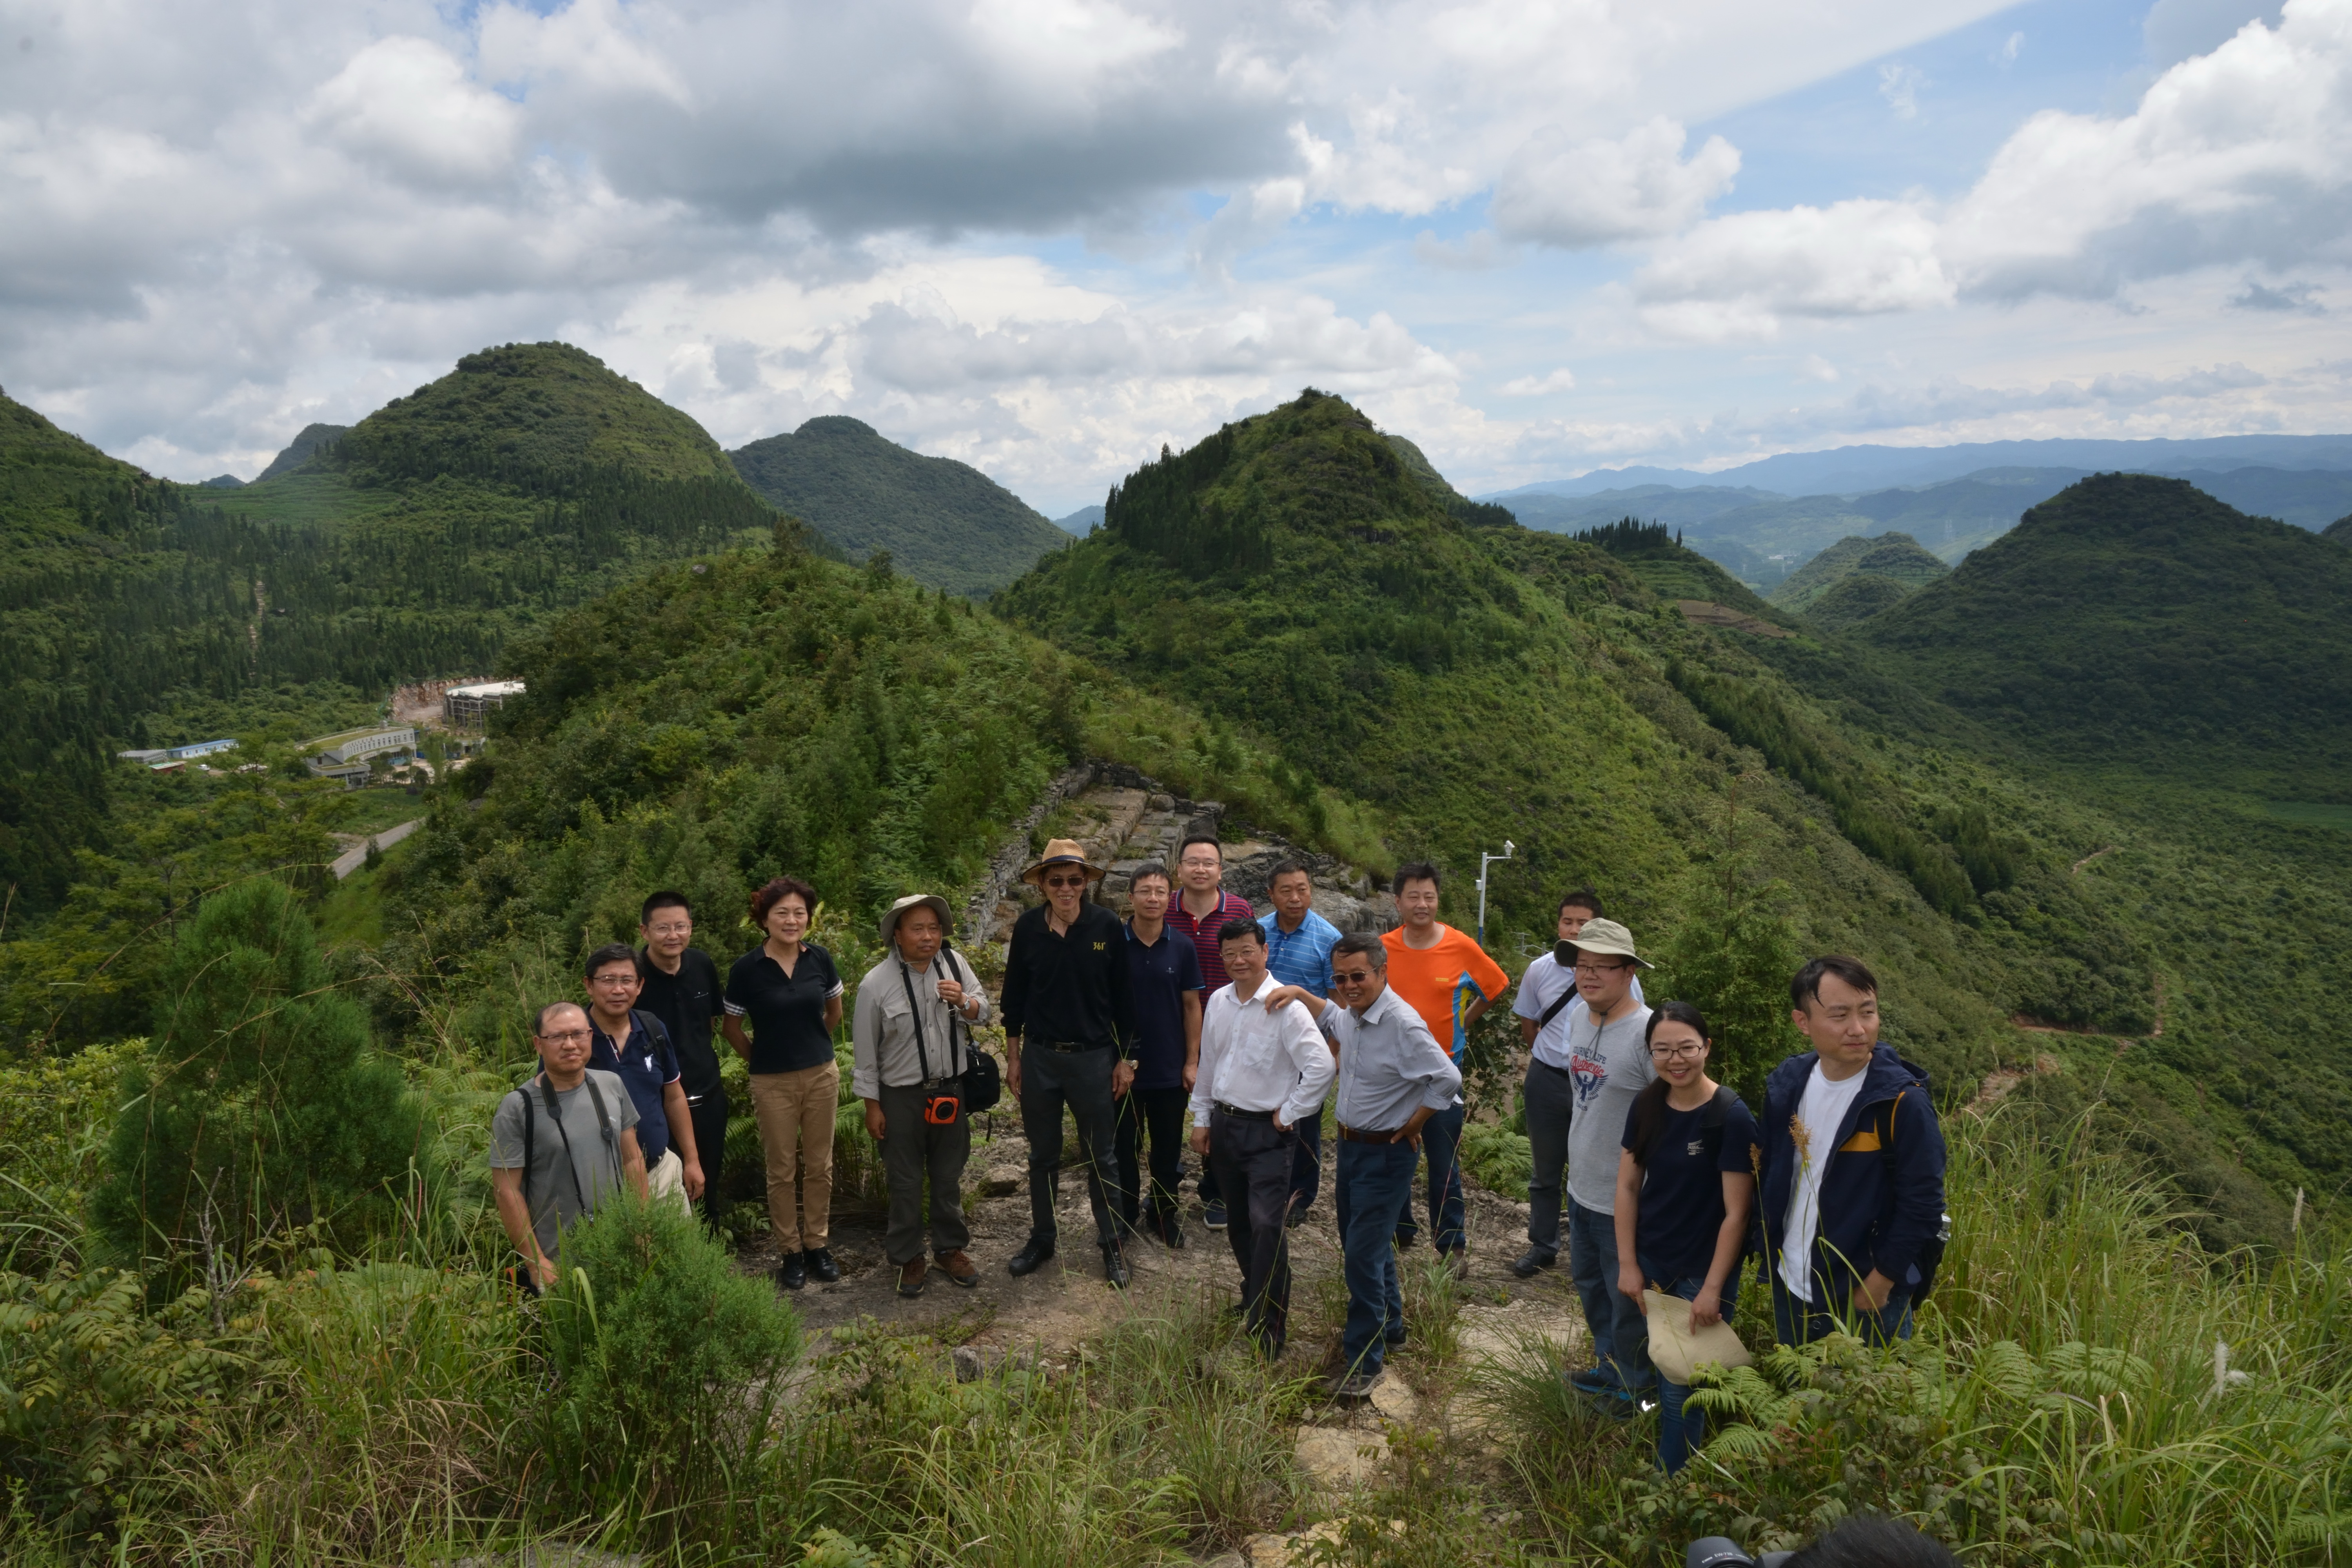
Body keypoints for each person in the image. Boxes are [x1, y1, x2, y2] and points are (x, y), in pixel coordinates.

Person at [1263, 933, 1460, 1399]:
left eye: (1359, 976)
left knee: (1362, 1255)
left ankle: (1365, 1361)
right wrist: (1300, 993)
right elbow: (1332, 1016)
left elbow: (1447, 1078)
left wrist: (1415, 1123)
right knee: (1364, 1244)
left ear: (1381, 972)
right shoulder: (1353, 1013)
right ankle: (1391, 1326)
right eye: (1341, 978)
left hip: (1386, 1154)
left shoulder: (1401, 1023)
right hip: (1351, 1149)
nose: (1350, 985)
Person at [1759, 956, 1947, 1346]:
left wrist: (1880, 1283)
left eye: (1868, 1012)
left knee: (1866, 1407)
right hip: (1791, 1282)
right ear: (1803, 1022)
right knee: (1797, 1399)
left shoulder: (1900, 1102)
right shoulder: (1787, 1083)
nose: (1858, 1029)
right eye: (1840, 1015)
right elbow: (1773, 1172)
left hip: (1862, 1292)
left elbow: (1924, 1204)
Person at [1611, 1003, 1759, 1473]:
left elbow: (1737, 1213)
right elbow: (1628, 1186)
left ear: (1707, 1048)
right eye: (1663, 1050)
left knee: (1683, 1389)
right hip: (1654, 1261)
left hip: (1701, 1270)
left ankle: (1670, 1484)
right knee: (1664, 1366)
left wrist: (1713, 1289)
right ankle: (1678, 1467)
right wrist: (1629, 1263)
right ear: (1650, 1052)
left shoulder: (1730, 1115)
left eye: (1687, 1048)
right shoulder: (1648, 1104)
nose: (1677, 1060)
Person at [1189, 918, 1335, 1359]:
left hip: (1269, 1133)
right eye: (1230, 953)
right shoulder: (1218, 1001)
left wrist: (1290, 1112)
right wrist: (1201, 1118)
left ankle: (1271, 1328)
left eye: (1247, 951)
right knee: (1238, 1224)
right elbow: (1210, 1061)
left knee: (1268, 1226)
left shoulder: (1286, 1006)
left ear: (1265, 952)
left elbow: (1322, 1067)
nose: (1239, 961)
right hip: (1225, 1125)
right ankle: (1254, 1295)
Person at [1001, 838, 1139, 1286]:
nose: (1066, 888)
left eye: (1074, 880)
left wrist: (1126, 1060)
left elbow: (1125, 1000)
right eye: (1056, 880)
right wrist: (1014, 1057)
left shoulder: (1106, 926)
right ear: (1041, 884)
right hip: (1040, 1057)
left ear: (1086, 883)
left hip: (1094, 1059)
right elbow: (1014, 998)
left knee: (1103, 1156)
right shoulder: (1026, 929)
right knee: (1042, 1155)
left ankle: (1113, 1244)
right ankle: (1043, 1238)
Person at [853, 895, 990, 1298]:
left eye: (934, 927)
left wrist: (963, 1001)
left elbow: (984, 1010)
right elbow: (865, 1054)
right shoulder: (875, 984)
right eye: (918, 928)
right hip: (901, 1096)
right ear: (897, 934)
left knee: (948, 1175)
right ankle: (908, 1256)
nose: (928, 936)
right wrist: (872, 1106)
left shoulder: (955, 965)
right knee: (905, 1179)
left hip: (951, 1089)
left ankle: (950, 1249)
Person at [1380, 861, 1510, 1270]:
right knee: (1391, 1151)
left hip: (1443, 1074)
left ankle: (1451, 1246)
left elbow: (1496, 987)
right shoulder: (1381, 948)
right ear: (1398, 901)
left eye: (1430, 896)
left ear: (1438, 900)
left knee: (1444, 1160)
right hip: (1393, 1074)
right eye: (1414, 896)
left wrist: (1463, 1023)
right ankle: (1400, 1230)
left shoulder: (1460, 946)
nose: (1422, 904)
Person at [1512, 887, 1645, 1277]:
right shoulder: (1539, 969)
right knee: (1546, 1167)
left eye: (1582, 923)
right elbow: (1528, 1022)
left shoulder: (1624, 980)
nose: (1573, 928)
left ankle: (1603, 1249)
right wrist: (1553, 1060)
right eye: (1567, 921)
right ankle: (1544, 1244)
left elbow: (1630, 1021)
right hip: (1549, 1078)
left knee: (1603, 1164)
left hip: (1601, 1082)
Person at [1553, 916, 1658, 1406]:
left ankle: (1637, 1395)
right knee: (1592, 1287)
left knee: (1629, 1301)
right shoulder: (1579, 1017)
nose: (1588, 975)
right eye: (1581, 964)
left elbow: (1674, 1115)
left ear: (1629, 971)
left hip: (1628, 1196)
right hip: (1582, 1187)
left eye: (1602, 967)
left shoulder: (1647, 1034)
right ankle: (1609, 1367)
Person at [722, 876, 845, 1292]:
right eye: (782, 913)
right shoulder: (746, 969)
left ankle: (817, 1245)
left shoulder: (821, 959)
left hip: (821, 1075)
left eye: (799, 913)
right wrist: (762, 1058)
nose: (792, 920)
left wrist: (812, 1046)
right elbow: (732, 1028)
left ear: (808, 918)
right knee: (781, 1169)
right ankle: (790, 1251)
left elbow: (834, 1013)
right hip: (771, 1081)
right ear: (764, 919)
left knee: (820, 1165)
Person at [490, 1001, 648, 1288]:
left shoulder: (611, 1084)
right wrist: (536, 1261)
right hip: (560, 1263)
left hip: (621, 1249)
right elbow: (506, 1191)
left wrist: (641, 1227)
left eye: (578, 1034)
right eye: (557, 1037)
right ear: (539, 1044)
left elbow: (633, 1160)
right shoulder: (518, 1107)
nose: (570, 1044)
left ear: (590, 1036)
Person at [1166, 833, 1257, 1231]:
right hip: (1171, 1026)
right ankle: (1166, 1182)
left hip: (1228, 1025)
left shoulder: (1238, 909)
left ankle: (1217, 1188)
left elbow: (1249, 962)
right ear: (1180, 868)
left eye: (1209, 863)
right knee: (1172, 1104)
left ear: (1220, 869)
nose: (1200, 869)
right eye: (1193, 862)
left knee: (1224, 1107)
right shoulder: (1164, 907)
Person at [582, 943, 704, 1216]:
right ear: (589, 985)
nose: (618, 989)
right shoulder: (573, 1037)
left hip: (660, 1169)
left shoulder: (652, 1029)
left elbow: (673, 1097)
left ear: (640, 986)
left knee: (676, 1253)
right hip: (599, 1182)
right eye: (608, 980)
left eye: (627, 980)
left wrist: (692, 1160)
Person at [1118, 864, 1205, 1249]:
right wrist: (1112, 1059)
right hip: (1124, 1069)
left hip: (1170, 1068)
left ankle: (1164, 1214)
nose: (1153, 898)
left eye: (1160, 891)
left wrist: (1192, 1060)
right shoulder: (1113, 942)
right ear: (1131, 896)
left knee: (1168, 1151)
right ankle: (1122, 1215)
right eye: (1145, 890)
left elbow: (1192, 1006)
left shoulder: (1182, 946)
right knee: (1123, 1146)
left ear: (1170, 897)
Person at [635, 892, 730, 1233]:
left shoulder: (701, 964)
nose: (672, 935)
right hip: (657, 1106)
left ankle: (711, 1258)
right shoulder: (634, 977)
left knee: (708, 1184)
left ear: (691, 928)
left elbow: (709, 1025)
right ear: (645, 931)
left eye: (680, 927)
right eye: (663, 928)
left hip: (707, 1097)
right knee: (664, 1191)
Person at [1259, 859, 1342, 1225]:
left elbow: (1339, 1001)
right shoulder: (1258, 932)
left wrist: (1334, 1054)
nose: (1296, 898)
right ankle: (1261, 1187)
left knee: (1303, 1123)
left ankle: (1299, 1197)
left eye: (1303, 889)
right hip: (1262, 1043)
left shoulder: (1328, 938)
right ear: (1271, 894)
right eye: (1287, 890)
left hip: (1308, 1048)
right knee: (1261, 1117)